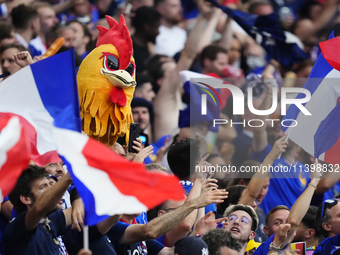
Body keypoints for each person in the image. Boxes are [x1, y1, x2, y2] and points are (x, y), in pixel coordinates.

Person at [131, 6, 161, 75]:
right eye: (156, 27)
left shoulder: (149, 49)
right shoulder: (128, 48)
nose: (158, 32)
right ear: (146, 27)